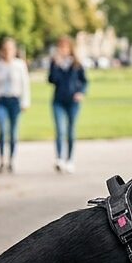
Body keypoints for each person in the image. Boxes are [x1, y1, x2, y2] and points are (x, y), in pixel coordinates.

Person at [0, 37, 30, 173]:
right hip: (1, 100)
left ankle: (12, 160)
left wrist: (25, 101)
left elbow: (25, 84)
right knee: (3, 130)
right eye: (5, 49)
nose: (8, 52)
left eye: (10, 49)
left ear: (14, 50)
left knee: (13, 132)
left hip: (15, 101)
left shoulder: (19, 65)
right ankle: (2, 159)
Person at [47, 35, 88, 173]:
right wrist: (56, 66)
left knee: (70, 130)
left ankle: (70, 160)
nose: (63, 49)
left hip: (73, 102)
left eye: (65, 47)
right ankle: (59, 159)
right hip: (58, 101)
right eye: (60, 47)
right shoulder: (55, 63)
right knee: (60, 130)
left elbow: (84, 81)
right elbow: (52, 80)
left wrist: (81, 92)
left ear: (70, 48)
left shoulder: (76, 64)